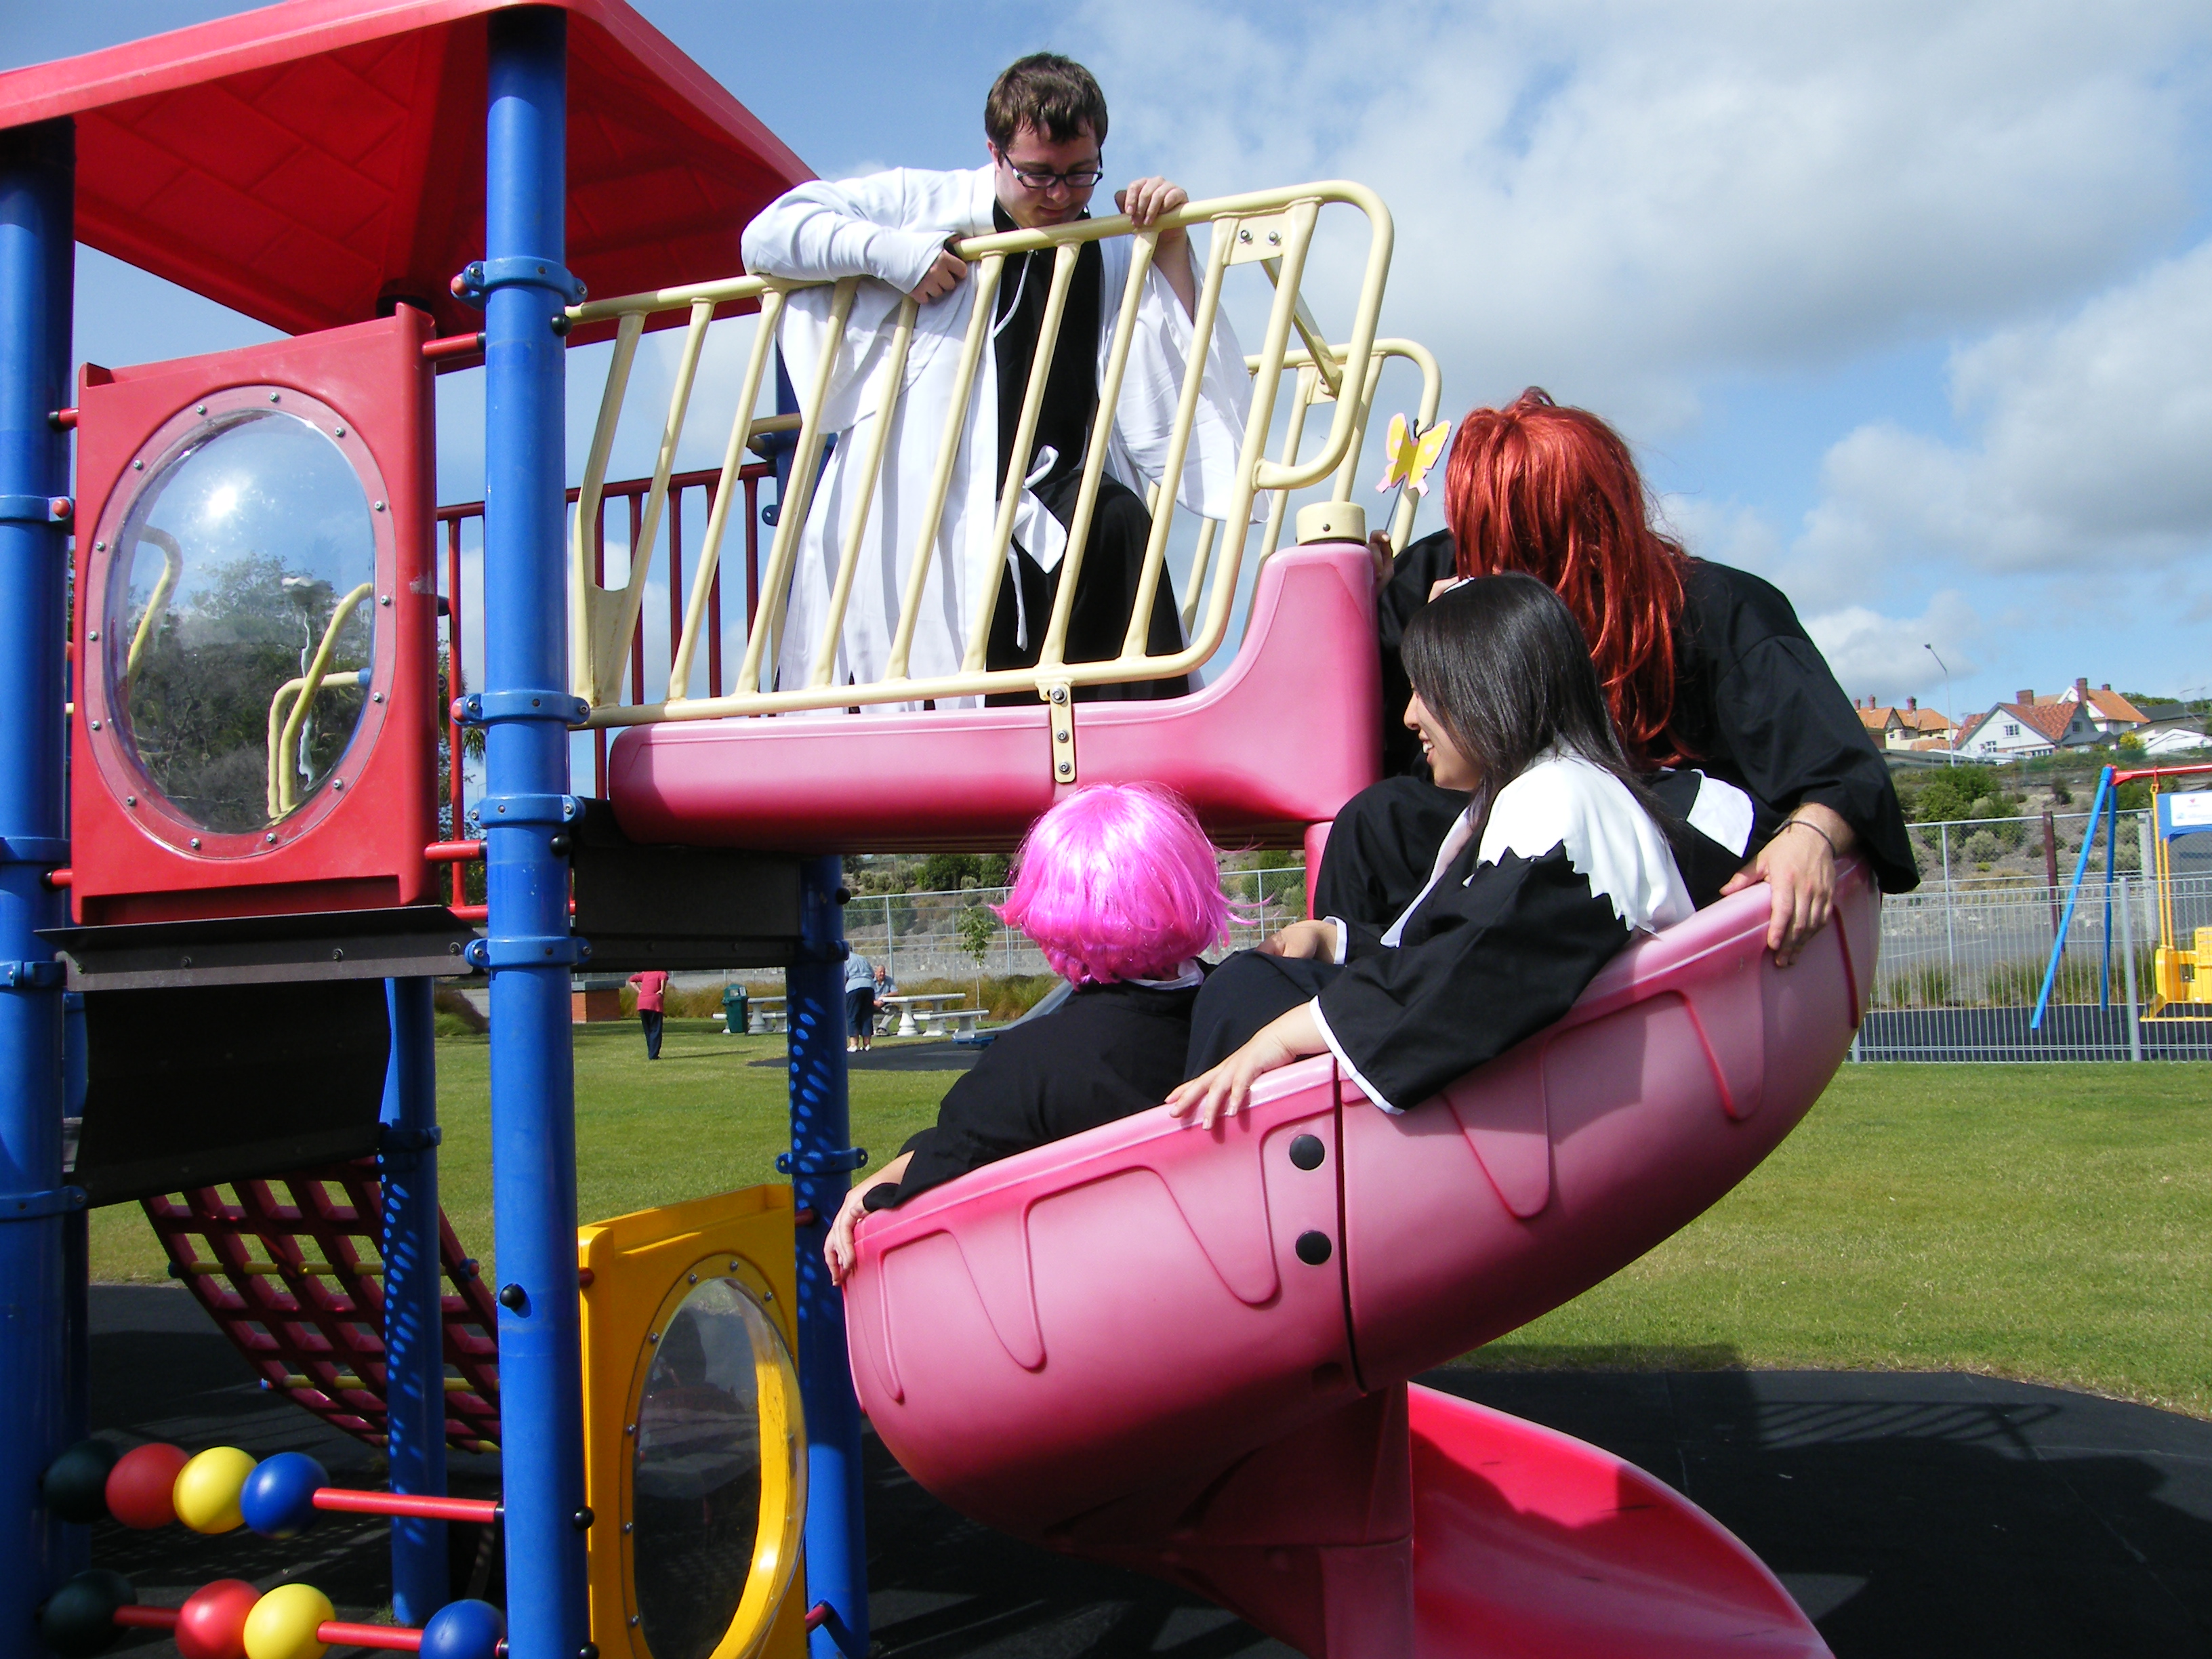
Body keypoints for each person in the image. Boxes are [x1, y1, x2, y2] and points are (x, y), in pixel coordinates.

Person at [1319, 389, 1917, 968]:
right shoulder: (1452, 572)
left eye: (1509, 554)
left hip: (1652, 884)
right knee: (1377, 822)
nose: (1488, 570)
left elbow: (1843, 771)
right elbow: (1386, 732)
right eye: (1479, 549)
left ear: (1579, 539)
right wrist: (1374, 607)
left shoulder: (1717, 610)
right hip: (1511, 856)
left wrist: (1813, 833)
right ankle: (1338, 1005)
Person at [741, 54, 1252, 704]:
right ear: (995, 152)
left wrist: (1170, 243)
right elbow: (768, 235)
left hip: (1052, 492)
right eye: (1038, 174)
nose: (1060, 195)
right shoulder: (927, 203)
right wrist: (895, 255)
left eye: (1081, 173)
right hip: (928, 492)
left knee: (1117, 524)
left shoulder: (1106, 241)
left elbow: (1177, 363)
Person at [1173, 574, 1696, 1128]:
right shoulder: (1551, 793)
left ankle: (1201, 1152)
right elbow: (1459, 950)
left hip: (1568, 1092)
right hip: (1557, 1074)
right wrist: (1334, 941)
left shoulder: (1560, 800)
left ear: (1488, 684)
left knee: (1250, 990)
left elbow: (1472, 975)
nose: (1410, 716)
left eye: (1427, 690)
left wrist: (1282, 1036)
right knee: (1256, 976)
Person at [824, 783, 1233, 1284]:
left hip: (1102, 1298)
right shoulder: (1257, 1001)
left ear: (1055, 906)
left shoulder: (1030, 1066)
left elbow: (948, 1161)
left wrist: (868, 1191)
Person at [627, 969, 670, 1061]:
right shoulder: (661, 973)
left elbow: (631, 980)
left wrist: (639, 991)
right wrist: (662, 990)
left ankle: (651, 1052)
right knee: (656, 1029)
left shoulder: (646, 974)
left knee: (648, 1030)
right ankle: (653, 1055)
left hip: (642, 1003)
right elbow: (664, 978)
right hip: (654, 1003)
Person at [844, 951, 877, 1053]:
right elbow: (872, 974)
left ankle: (854, 1044)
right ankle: (867, 1044)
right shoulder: (862, 958)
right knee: (867, 1015)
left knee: (852, 1015)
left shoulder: (844, 960)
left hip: (853, 987)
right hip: (869, 986)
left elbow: (843, 976)